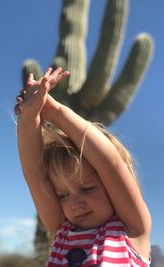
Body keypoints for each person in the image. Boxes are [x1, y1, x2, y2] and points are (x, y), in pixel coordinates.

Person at [14, 67, 151, 267]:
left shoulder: (133, 229)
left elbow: (110, 165)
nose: (75, 203)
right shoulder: (62, 230)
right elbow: (35, 177)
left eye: (87, 188)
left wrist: (55, 111)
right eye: (63, 195)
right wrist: (28, 117)